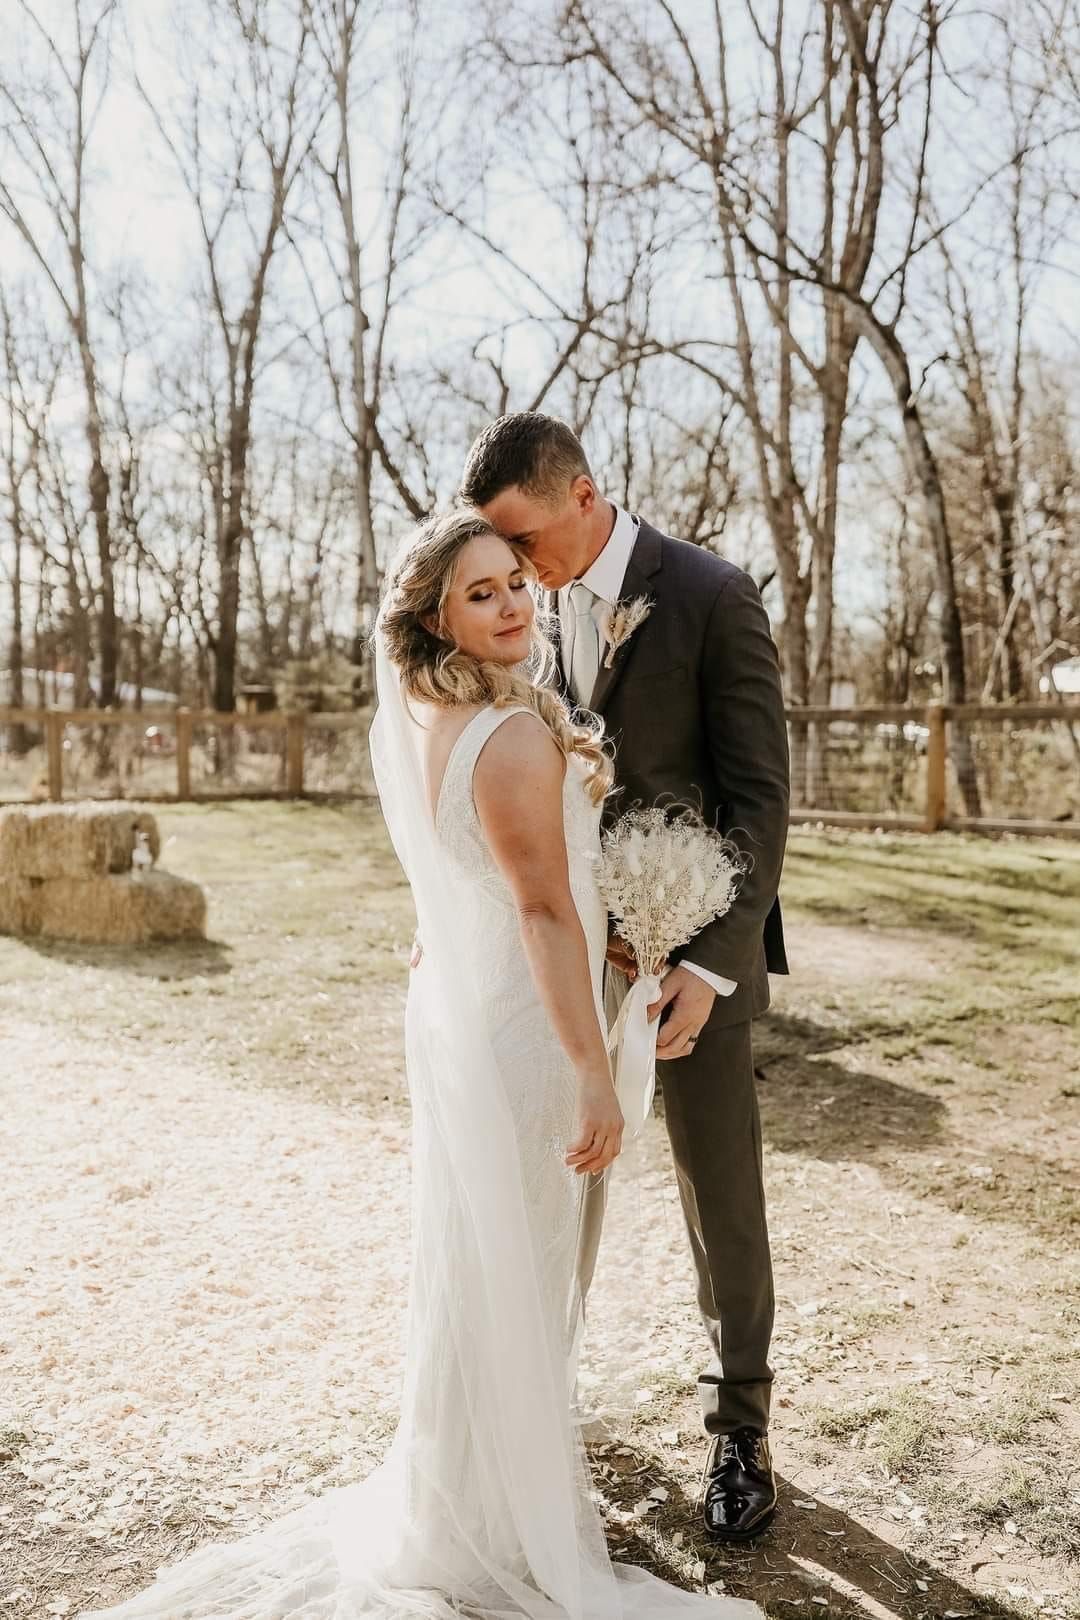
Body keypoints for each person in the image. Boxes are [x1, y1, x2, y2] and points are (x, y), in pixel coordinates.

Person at [80, 507, 759, 1619]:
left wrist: (621, 922)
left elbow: (486, 891)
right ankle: (494, 1521)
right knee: (522, 1270)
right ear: (435, 618)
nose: (510, 605)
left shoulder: (452, 718)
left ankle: (478, 1495)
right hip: (532, 1038)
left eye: (512, 582)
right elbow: (542, 911)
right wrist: (592, 1071)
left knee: (491, 1267)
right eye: (479, 593)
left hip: (484, 1010)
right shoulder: (517, 736)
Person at [459, 414, 790, 1544]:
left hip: (691, 949)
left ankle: (739, 1430)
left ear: (584, 495)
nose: (517, 571)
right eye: (498, 558)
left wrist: (707, 962)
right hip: (570, 950)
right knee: (561, 1164)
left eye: (527, 543)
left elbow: (759, 802)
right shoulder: (529, 610)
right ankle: (537, 1397)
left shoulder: (711, 594)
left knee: (718, 1188)